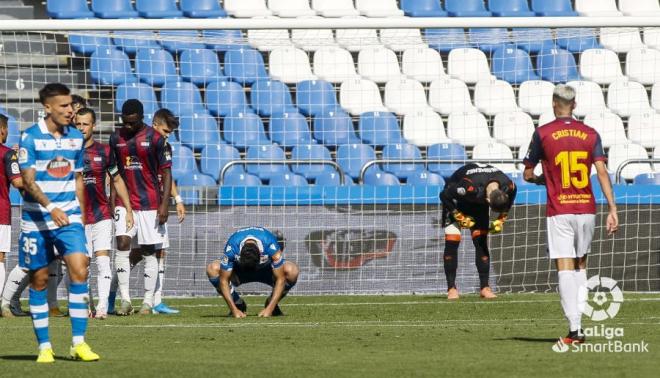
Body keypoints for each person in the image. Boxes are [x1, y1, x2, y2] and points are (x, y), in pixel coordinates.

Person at [523, 84, 618, 344]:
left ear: (554, 103)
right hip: (587, 208)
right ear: (574, 105)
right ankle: (579, 326)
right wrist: (612, 208)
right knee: (580, 266)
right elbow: (601, 172)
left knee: (564, 267)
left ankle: (575, 328)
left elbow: (528, 173)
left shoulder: (542, 133)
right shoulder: (590, 134)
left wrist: (542, 180)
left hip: (559, 209)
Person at [18, 83, 99, 362]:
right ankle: (44, 346)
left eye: (71, 105)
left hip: (69, 217)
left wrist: (82, 218)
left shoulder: (76, 137)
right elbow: (28, 182)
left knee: (80, 268)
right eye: (64, 106)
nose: (70, 110)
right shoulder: (29, 138)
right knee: (39, 281)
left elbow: (78, 179)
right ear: (48, 107)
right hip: (36, 219)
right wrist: (51, 208)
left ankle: (78, 343)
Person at [107, 108, 183, 315]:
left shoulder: (158, 141)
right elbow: (113, 173)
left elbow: (166, 174)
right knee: (123, 244)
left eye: (133, 122)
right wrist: (112, 200)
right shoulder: (116, 138)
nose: (129, 126)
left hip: (151, 205)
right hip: (127, 203)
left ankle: (151, 301)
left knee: (153, 252)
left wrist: (171, 202)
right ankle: (122, 298)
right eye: (126, 122)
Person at [74, 108, 133, 319]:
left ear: (93, 126)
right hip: (77, 218)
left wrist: (128, 209)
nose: (81, 128)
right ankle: (86, 306)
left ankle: (101, 308)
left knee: (102, 261)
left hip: (101, 216)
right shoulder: (67, 151)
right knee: (81, 267)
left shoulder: (105, 152)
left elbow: (117, 179)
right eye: (78, 124)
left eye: (85, 124)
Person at [439, 163, 517, 300]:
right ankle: (451, 289)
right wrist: (459, 216)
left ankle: (485, 288)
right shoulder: (467, 186)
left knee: (481, 242)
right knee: (452, 241)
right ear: (488, 199)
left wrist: (501, 218)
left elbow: (513, 193)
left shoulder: (508, 185)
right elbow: (444, 195)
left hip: (478, 204)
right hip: (455, 201)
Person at [206, 227, 298, 318]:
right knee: (212, 269)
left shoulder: (271, 244)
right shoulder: (232, 247)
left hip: (265, 271)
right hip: (240, 271)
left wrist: (269, 309)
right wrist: (234, 310)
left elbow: (280, 279)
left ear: (260, 254)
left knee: (292, 271)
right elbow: (223, 280)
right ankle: (238, 304)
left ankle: (271, 303)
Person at [0, 114, 27, 318]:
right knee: (0, 259)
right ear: (2, 130)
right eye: (6, 128)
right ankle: (2, 304)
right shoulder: (8, 154)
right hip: (1, 213)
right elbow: (18, 183)